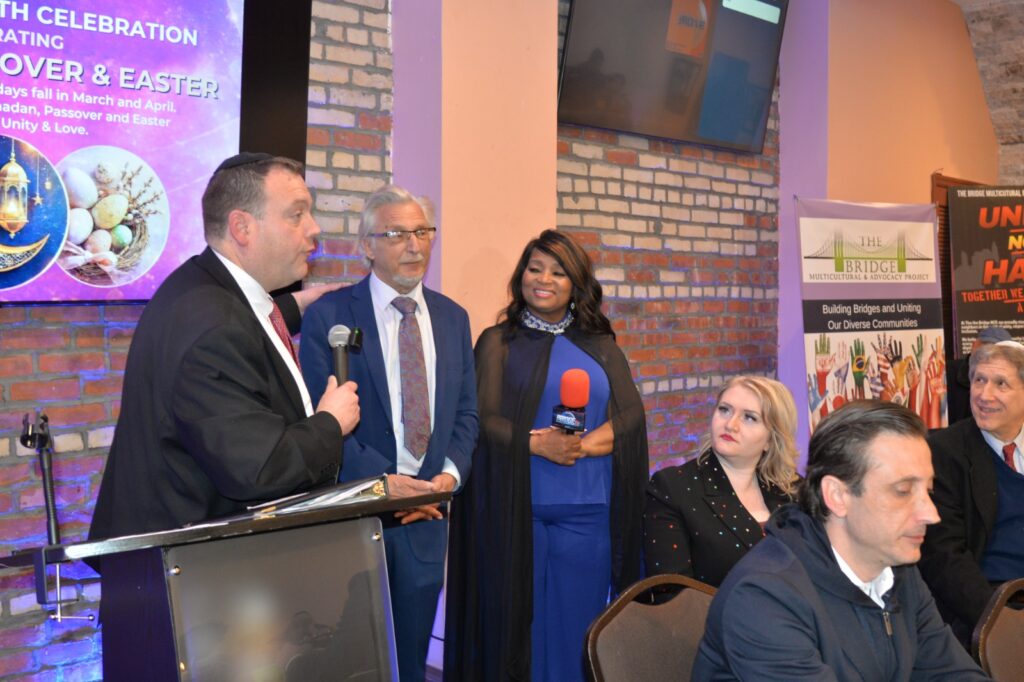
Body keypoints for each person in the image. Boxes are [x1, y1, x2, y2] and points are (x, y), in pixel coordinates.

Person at [88, 153, 361, 546]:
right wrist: (331, 423)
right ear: (242, 227)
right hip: (196, 566)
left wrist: (288, 310)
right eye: (296, 214)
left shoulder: (201, 287)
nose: (314, 229)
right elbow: (259, 468)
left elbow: (240, 336)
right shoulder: (216, 327)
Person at [444, 229, 649, 682]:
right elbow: (482, 419)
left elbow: (630, 417)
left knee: (578, 630)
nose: (543, 279)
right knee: (519, 634)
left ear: (576, 284)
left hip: (588, 514)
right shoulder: (497, 342)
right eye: (535, 269)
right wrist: (536, 444)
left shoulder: (601, 345)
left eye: (558, 272)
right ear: (521, 276)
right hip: (519, 515)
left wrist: (581, 445)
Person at [299, 185, 478, 682]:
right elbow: (319, 420)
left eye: (422, 231)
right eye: (397, 234)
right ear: (367, 246)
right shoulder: (331, 316)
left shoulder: (453, 318)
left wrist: (445, 480)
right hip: (355, 518)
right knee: (354, 662)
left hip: (426, 516)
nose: (414, 245)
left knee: (411, 663)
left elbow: (466, 413)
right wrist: (383, 485)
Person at [692, 400, 987, 681]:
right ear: (837, 496)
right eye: (903, 491)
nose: (931, 514)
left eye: (928, 491)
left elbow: (952, 673)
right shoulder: (764, 598)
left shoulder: (897, 570)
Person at [643, 375, 799, 587]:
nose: (730, 424)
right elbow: (672, 594)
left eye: (749, 417)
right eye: (724, 410)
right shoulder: (672, 488)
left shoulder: (794, 491)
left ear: (771, 440)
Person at [920, 339, 1024, 646]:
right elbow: (944, 557)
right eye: (979, 380)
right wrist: (1000, 622)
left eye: (1000, 383)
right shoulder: (944, 452)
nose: (984, 395)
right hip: (987, 607)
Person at [946, 325, 1011, 424]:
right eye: (985, 346)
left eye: (997, 350)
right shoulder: (947, 372)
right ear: (973, 346)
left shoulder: (1013, 378)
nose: (988, 353)